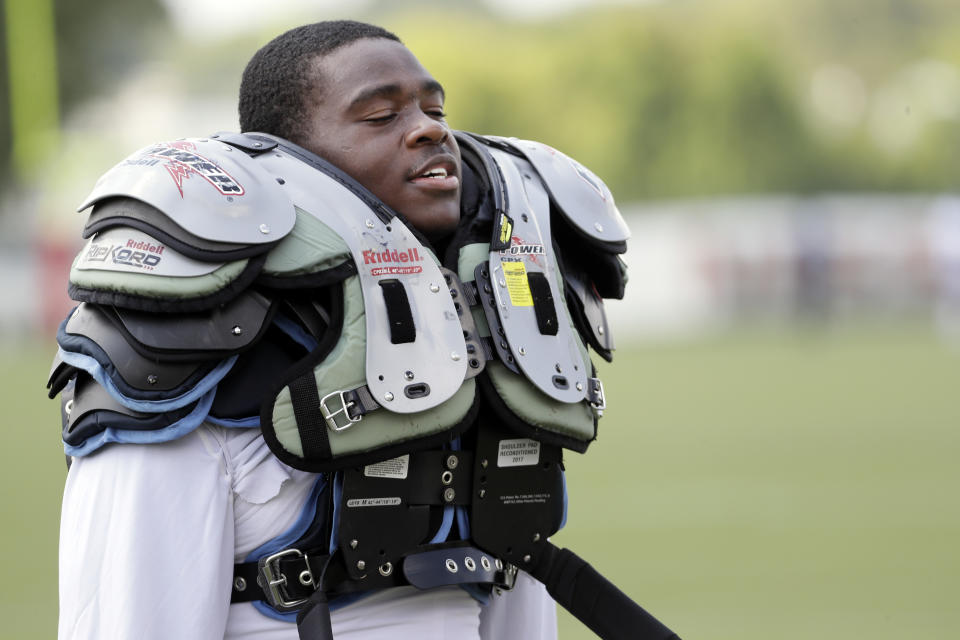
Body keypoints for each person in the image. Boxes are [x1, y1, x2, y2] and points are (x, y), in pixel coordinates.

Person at [51, 19, 644, 640]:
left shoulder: (487, 341)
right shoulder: (180, 362)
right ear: (282, 156)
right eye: (380, 115)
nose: (431, 128)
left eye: (434, 108)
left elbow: (513, 595)